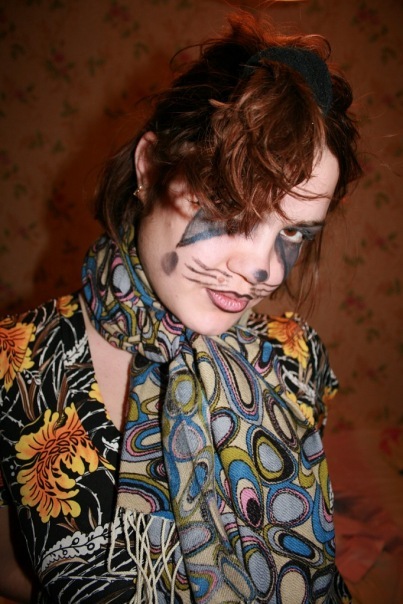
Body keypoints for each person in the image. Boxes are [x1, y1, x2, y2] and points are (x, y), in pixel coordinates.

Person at [0, 10, 361, 604]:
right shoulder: (16, 365)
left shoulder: (296, 359)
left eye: (293, 233)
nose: (264, 270)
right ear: (149, 168)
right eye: (230, 209)